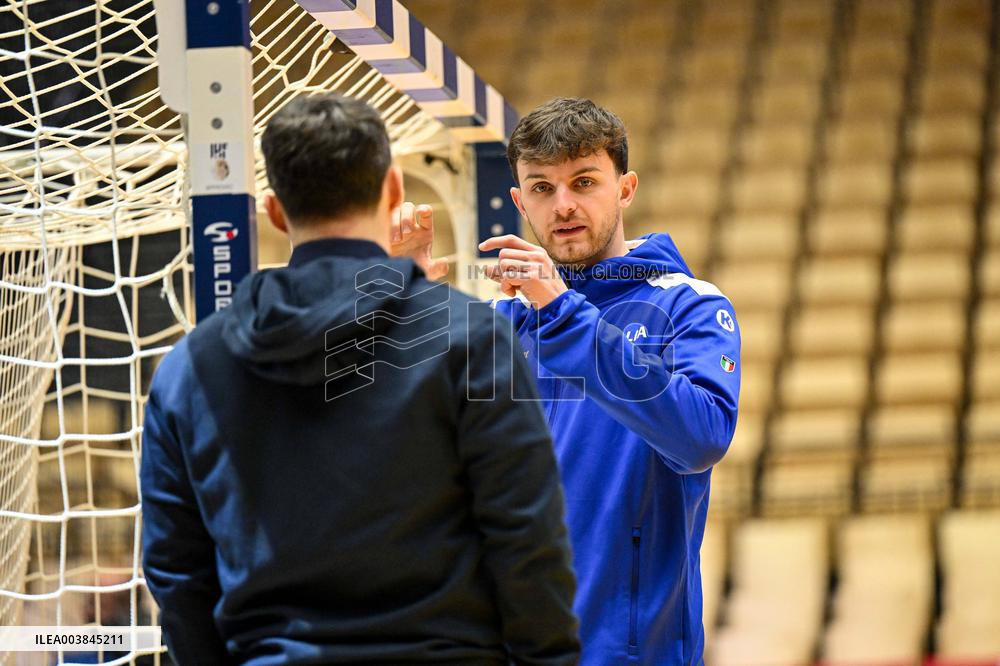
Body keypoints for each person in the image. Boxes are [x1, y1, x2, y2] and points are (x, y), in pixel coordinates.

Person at [140, 92, 580, 665]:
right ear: (394, 188)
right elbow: (527, 539)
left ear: (274, 212)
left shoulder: (189, 366)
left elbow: (175, 573)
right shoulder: (470, 338)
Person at [481, 97, 741, 665]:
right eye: (543, 189)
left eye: (584, 181)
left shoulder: (690, 308)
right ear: (521, 203)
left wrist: (562, 311)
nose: (564, 205)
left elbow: (701, 439)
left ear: (625, 189)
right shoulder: (498, 325)